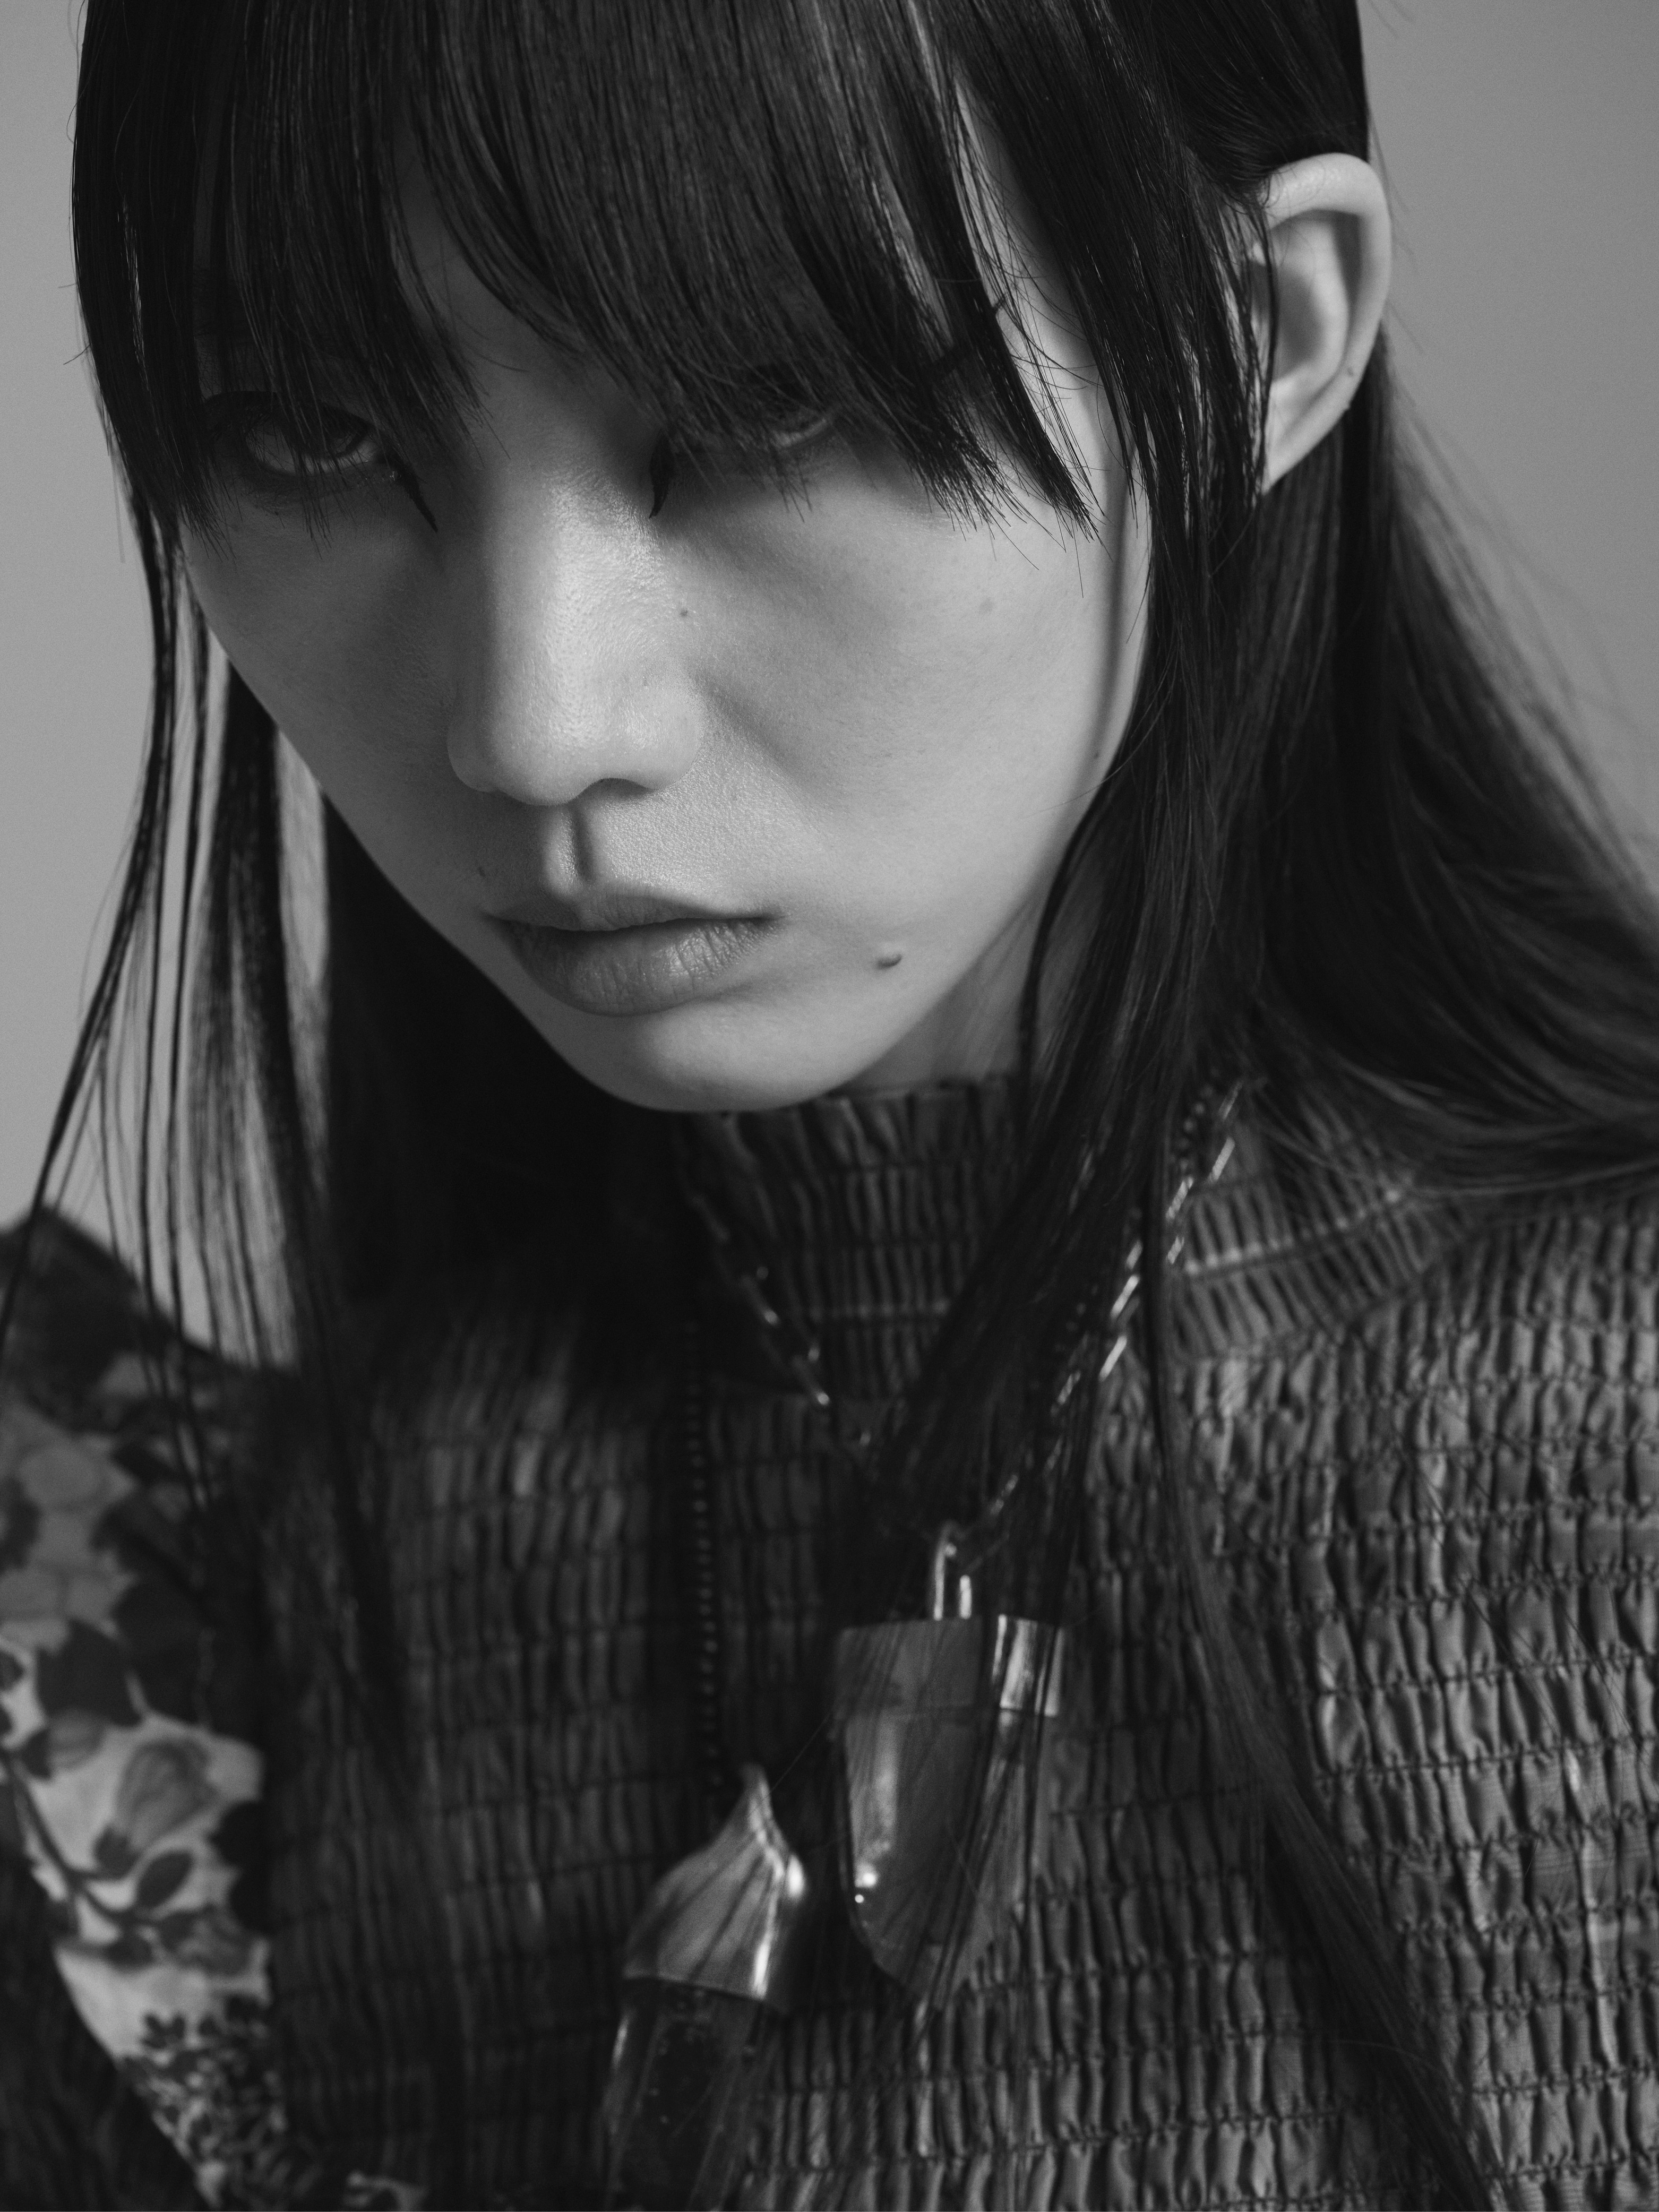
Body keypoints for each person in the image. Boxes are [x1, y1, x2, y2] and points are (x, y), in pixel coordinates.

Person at [3, 1, 1657, 2205]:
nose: (535, 720)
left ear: (1260, 335)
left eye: (766, 403)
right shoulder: (160, 1658)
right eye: (310, 430)